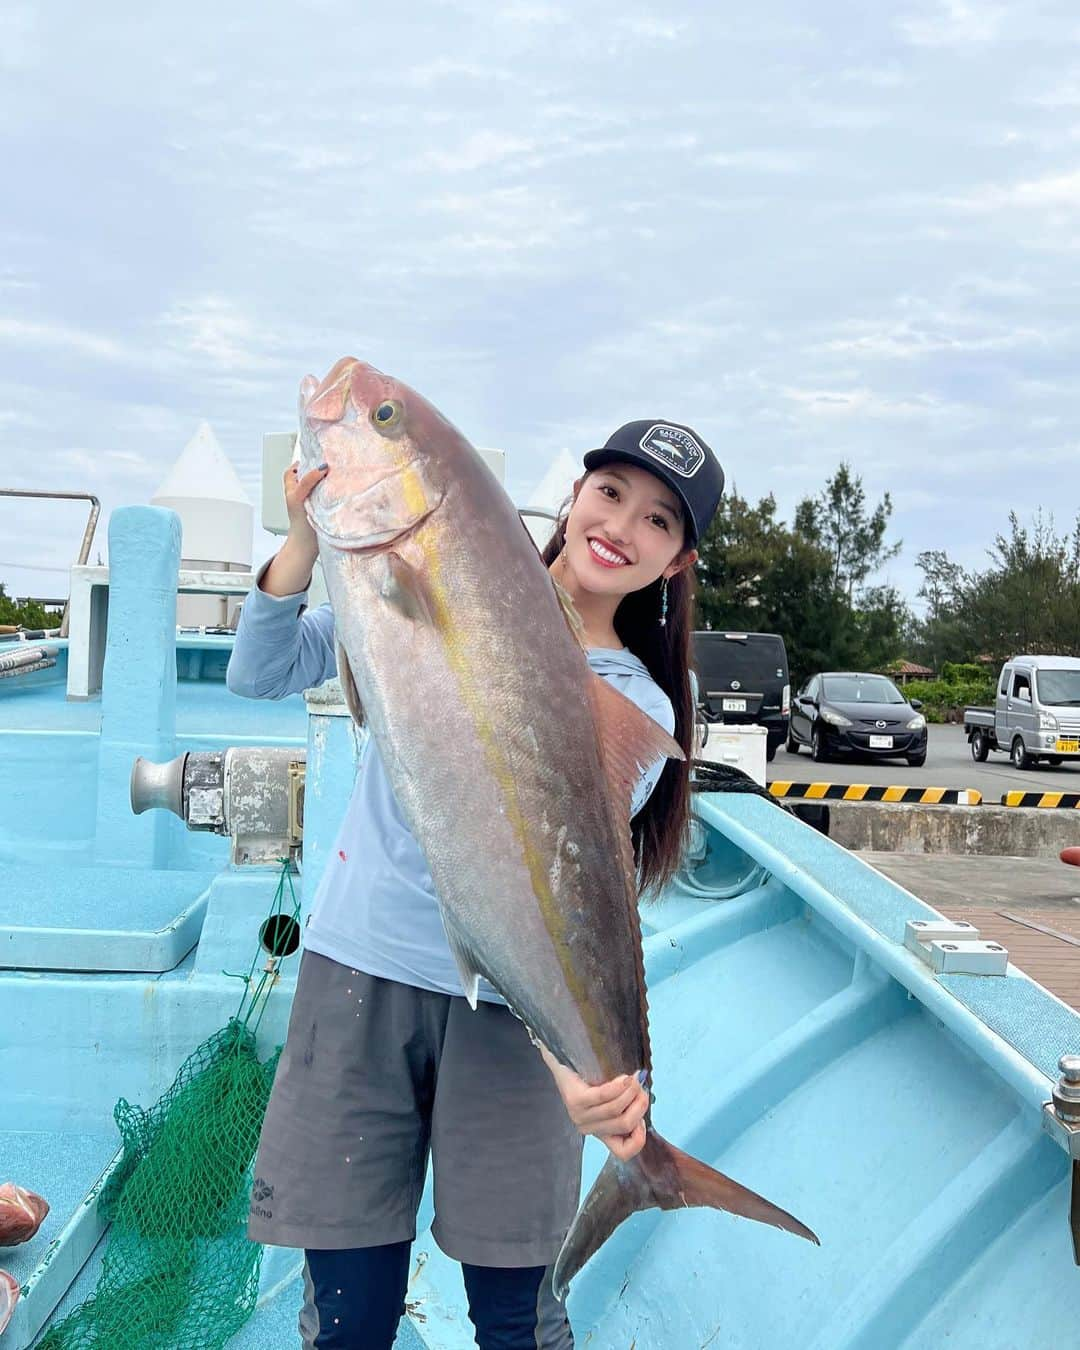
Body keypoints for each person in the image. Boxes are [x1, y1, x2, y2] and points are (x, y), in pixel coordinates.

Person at [226, 417, 725, 1350]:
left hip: (508, 1013)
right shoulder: (427, 586)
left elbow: (539, 893)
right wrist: (304, 534)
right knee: (346, 1310)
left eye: (659, 520)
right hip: (361, 970)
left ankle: (639, 1170)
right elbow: (258, 671)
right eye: (610, 492)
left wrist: (580, 1073)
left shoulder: (638, 705)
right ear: (573, 498)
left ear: (675, 562)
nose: (622, 524)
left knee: (514, 1318)